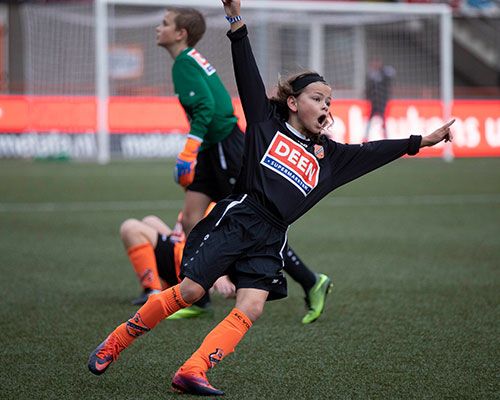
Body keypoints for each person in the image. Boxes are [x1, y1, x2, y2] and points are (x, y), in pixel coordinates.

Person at [88, 1, 454, 396]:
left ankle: (192, 371)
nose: (326, 105)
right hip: (238, 218)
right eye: (317, 97)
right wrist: (235, 20)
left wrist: (421, 141)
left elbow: (375, 150)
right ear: (294, 102)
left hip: (271, 237)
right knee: (191, 292)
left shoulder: (332, 158)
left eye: (329, 100)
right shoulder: (266, 123)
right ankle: (117, 341)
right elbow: (246, 69)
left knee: (252, 307)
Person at [156, 6, 332, 324]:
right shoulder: (190, 59)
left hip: (225, 146)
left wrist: (188, 151)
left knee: (256, 221)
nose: (159, 28)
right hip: (215, 149)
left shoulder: (184, 63)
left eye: (165, 23)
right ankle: (198, 294)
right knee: (192, 218)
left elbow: (208, 107)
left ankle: (311, 281)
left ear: (180, 33)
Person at [364, 59, 396, 141]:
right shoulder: (372, 75)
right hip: (374, 102)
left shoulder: (384, 73)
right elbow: (369, 88)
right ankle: (366, 136)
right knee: (370, 119)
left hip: (382, 102)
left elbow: (391, 74)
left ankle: (386, 136)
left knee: (383, 119)